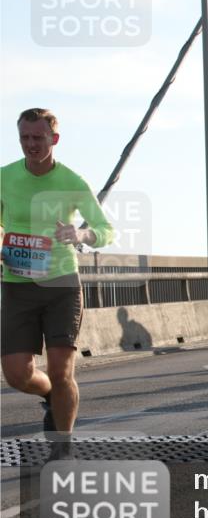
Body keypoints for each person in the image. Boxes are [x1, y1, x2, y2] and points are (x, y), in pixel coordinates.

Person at [2, 108, 115, 457]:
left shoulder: (72, 182)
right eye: (25, 137)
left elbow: (107, 230)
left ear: (54, 139)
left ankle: (61, 446)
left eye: (38, 137)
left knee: (62, 369)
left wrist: (80, 232)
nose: (31, 144)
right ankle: (50, 394)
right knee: (17, 375)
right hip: (17, 282)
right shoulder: (4, 177)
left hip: (61, 285)